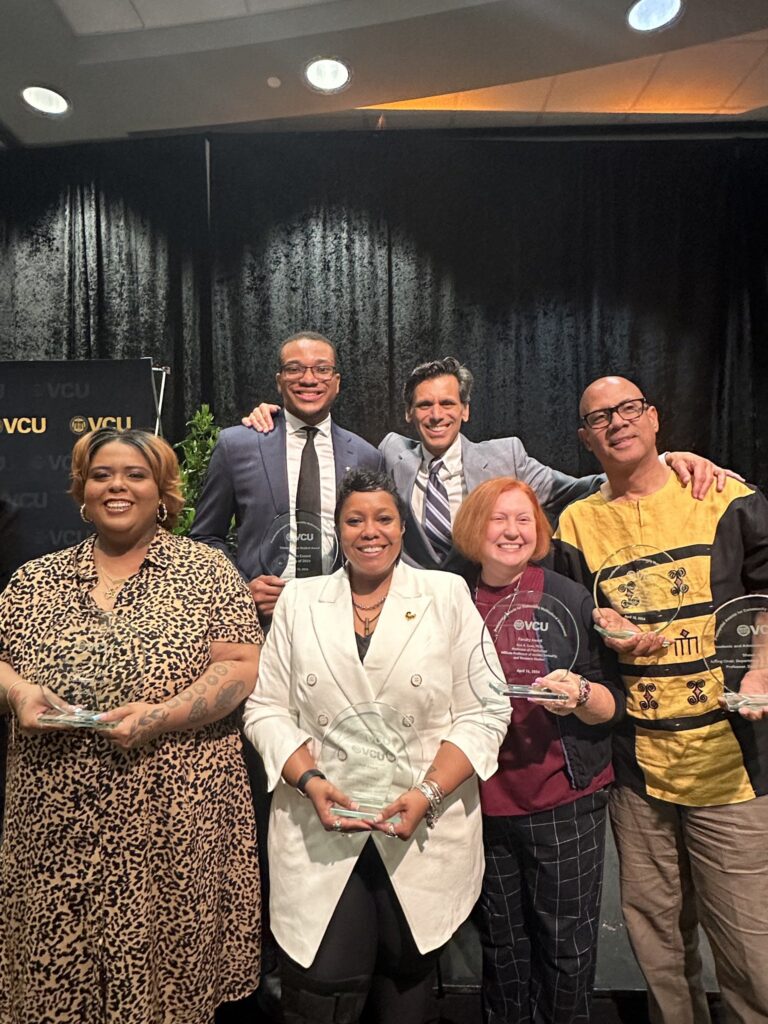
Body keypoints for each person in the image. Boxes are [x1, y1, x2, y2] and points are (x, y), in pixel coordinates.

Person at [0, 427, 263, 1024]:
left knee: (169, 990)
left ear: (164, 491)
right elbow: (2, 665)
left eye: (136, 475)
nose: (117, 486)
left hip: (174, 828)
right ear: (81, 491)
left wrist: (160, 716)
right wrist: (17, 693)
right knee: (55, 987)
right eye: (102, 475)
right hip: (55, 835)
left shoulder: (208, 574)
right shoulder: (33, 580)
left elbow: (240, 666)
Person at [242, 468, 510, 1024]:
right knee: (320, 988)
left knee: (406, 978)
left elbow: (486, 710)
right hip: (321, 825)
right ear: (338, 529)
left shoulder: (445, 593)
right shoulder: (300, 601)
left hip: (420, 827)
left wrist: (429, 792)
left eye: (383, 518)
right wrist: (310, 782)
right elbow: (265, 708)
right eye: (355, 519)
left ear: (402, 527)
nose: (371, 531)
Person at [553, 376, 768, 1024]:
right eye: (600, 417)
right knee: (657, 940)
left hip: (729, 765)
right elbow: (575, 618)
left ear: (653, 418)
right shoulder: (575, 522)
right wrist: (604, 625)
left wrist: (758, 674)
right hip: (638, 772)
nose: (617, 422)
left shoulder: (722, 494)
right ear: (587, 440)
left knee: (749, 948)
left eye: (628, 409)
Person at [244, 356, 733, 572]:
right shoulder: (389, 452)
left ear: (465, 410)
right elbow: (330, 450)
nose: (437, 415)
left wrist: (663, 459)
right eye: (425, 406)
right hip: (409, 605)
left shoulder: (506, 456)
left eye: (447, 404)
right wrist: (274, 416)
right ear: (410, 415)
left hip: (487, 601)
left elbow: (582, 487)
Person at [452, 477, 624, 1024]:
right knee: (502, 945)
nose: (512, 530)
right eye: (499, 519)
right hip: (481, 804)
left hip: (564, 800)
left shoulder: (568, 595)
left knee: (566, 947)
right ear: (473, 529)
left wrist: (579, 696)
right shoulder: (448, 598)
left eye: (524, 519)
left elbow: (611, 700)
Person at [190, 331, 383, 623]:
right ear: (279, 380)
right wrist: (240, 588)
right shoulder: (237, 446)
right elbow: (205, 537)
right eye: (294, 369)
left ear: (337, 382)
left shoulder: (366, 456)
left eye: (322, 369)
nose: (308, 379)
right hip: (261, 622)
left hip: (342, 619)